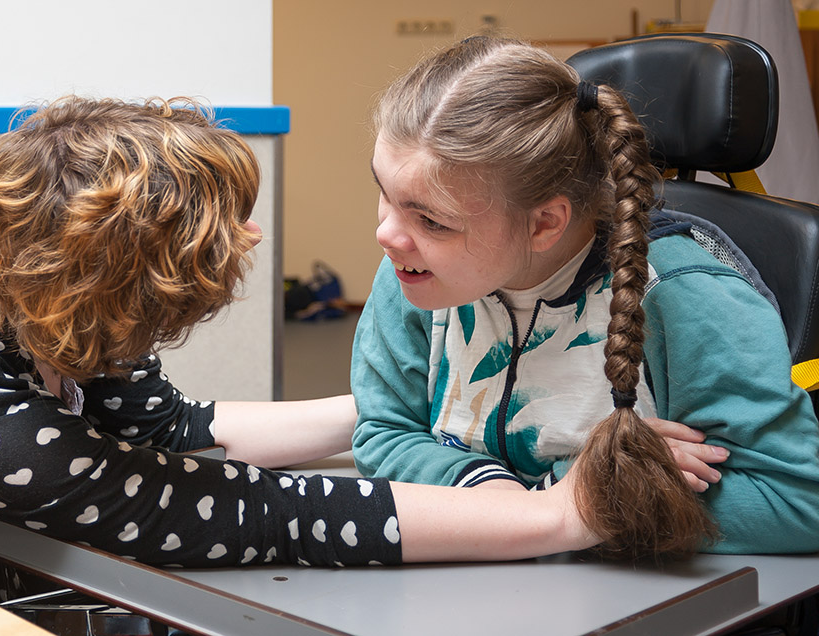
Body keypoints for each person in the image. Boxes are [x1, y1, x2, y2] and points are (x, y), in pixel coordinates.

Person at [0, 95, 597, 604]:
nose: (255, 233)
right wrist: (555, 515)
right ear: (109, 293)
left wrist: (430, 410)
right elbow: (254, 512)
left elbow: (169, 431)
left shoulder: (16, 233)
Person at [351, 36, 819, 559]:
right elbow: (384, 431)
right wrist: (514, 504)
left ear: (544, 223)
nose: (388, 235)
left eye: (431, 220)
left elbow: (801, 501)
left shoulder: (683, 296)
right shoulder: (414, 271)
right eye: (384, 194)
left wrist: (595, 498)